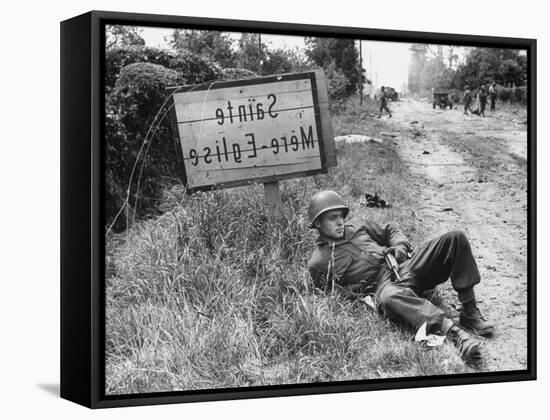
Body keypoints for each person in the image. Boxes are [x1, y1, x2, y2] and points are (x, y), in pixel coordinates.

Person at [307, 190, 494, 361]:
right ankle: (454, 333)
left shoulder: (356, 227)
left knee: (455, 238)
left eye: (341, 216)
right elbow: (328, 297)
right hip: (383, 288)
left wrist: (400, 246)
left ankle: (469, 310)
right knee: (389, 297)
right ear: (317, 223)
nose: (340, 222)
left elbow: (390, 230)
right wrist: (356, 293)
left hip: (402, 266)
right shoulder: (319, 263)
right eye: (333, 218)